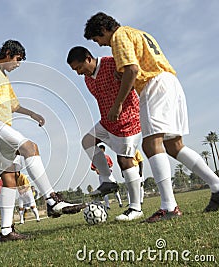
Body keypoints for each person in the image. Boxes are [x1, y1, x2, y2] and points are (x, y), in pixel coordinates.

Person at [84, 12, 219, 222]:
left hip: (154, 86)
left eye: (97, 39)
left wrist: (118, 103)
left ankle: (169, 206)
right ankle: (216, 185)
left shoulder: (118, 36)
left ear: (103, 30)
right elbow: (134, 65)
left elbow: (132, 69)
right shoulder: (136, 32)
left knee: (150, 144)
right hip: (170, 82)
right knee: (174, 145)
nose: (100, 44)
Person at [0, 40, 85, 242]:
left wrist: (32, 113)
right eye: (17, 60)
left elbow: (13, 106)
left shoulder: (4, 77)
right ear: (8, 53)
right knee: (30, 147)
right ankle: (51, 200)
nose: (17, 64)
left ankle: (6, 232)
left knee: (9, 180)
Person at [67, 46, 143, 221]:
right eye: (75, 70)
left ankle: (136, 208)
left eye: (79, 67)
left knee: (124, 161)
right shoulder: (88, 79)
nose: (78, 73)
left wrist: (123, 76)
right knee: (87, 141)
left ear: (88, 58)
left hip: (128, 119)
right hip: (107, 122)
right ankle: (108, 180)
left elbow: (134, 71)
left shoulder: (111, 63)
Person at [90, 145, 123, 210]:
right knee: (104, 191)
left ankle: (120, 202)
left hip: (109, 175)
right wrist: (96, 169)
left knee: (115, 189)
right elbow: (92, 167)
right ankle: (107, 205)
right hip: (101, 176)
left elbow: (111, 164)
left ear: (104, 150)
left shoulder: (107, 157)